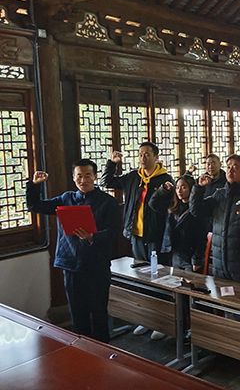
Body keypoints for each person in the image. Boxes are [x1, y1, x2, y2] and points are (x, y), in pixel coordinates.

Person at [27, 159, 119, 343]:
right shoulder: (66, 198)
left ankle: (103, 350)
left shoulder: (107, 202)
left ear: (95, 177)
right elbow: (35, 206)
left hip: (96, 264)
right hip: (70, 263)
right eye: (79, 176)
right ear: (73, 177)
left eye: (88, 175)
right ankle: (82, 348)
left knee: (98, 310)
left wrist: (92, 236)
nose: (83, 180)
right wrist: (34, 185)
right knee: (77, 311)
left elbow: (114, 232)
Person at [100, 141, 173, 340]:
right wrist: (112, 163)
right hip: (136, 235)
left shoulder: (165, 180)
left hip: (155, 236)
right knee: (141, 277)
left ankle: (162, 323)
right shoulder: (134, 177)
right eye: (140, 154)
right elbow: (107, 182)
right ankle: (146, 319)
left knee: (159, 278)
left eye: (147, 154)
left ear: (156, 157)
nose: (143, 157)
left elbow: (163, 207)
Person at [191, 154, 240, 284]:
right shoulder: (220, 194)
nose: (230, 170)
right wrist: (198, 188)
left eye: (235, 167)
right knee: (220, 293)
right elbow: (196, 210)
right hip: (220, 263)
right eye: (228, 167)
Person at [149, 174, 207, 272]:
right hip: (174, 252)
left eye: (183, 187)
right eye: (177, 187)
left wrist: (197, 259)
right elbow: (153, 203)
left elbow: (201, 236)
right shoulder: (173, 206)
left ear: (191, 188)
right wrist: (163, 190)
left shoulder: (196, 208)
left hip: (189, 254)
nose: (179, 191)